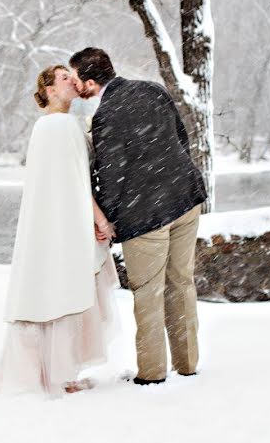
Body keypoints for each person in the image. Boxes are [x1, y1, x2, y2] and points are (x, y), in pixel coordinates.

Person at [69, 47, 207, 386]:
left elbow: (111, 174)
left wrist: (107, 220)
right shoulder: (151, 89)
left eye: (75, 79)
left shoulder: (107, 114)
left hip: (147, 215)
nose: (75, 87)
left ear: (89, 81)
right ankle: (187, 364)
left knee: (148, 292)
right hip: (186, 197)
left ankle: (152, 372)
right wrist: (171, 178)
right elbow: (181, 139)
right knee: (182, 283)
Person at [0, 65, 119, 397]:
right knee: (68, 285)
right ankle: (62, 372)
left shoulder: (45, 127)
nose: (72, 81)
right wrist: (100, 219)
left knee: (52, 284)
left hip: (53, 219)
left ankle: (57, 370)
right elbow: (76, 181)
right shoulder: (61, 125)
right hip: (66, 221)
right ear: (49, 90)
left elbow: (65, 180)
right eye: (63, 78)